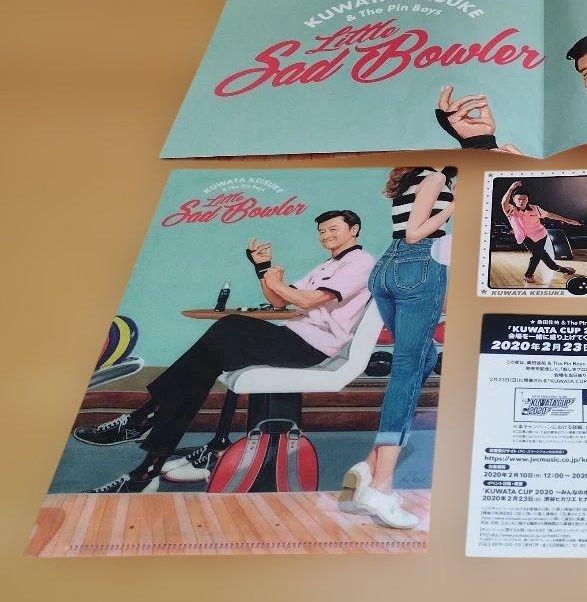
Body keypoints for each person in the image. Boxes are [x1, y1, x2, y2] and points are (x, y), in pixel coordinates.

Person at [73, 210, 374, 493]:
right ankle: (146, 465)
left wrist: (277, 282)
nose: (326, 235)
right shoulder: (327, 265)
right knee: (205, 363)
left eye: (333, 229)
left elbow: (307, 301)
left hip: (312, 347)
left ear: (354, 230)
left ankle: (144, 421)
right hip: (294, 337)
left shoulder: (360, 262)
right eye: (321, 231)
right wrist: (262, 268)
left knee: (226, 329)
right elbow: (280, 302)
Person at [338, 167, 455, 529]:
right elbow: (415, 232)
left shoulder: (416, 178)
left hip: (389, 267)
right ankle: (381, 486)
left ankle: (369, 466)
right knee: (407, 368)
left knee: (425, 357)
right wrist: (458, 205)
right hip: (419, 265)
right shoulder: (435, 177)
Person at [499, 180, 580, 285]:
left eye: (524, 199)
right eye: (519, 199)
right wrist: (511, 188)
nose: (522, 201)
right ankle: (560, 269)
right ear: (514, 200)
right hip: (525, 237)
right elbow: (503, 203)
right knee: (540, 254)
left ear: (528, 199)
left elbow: (550, 215)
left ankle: (528, 275)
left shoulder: (535, 208)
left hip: (540, 234)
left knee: (537, 254)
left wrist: (568, 220)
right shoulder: (511, 210)